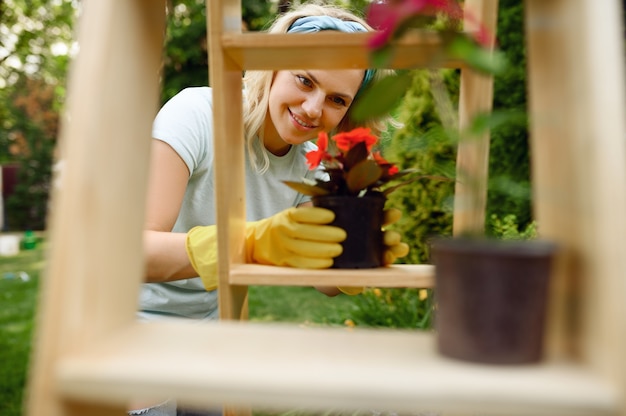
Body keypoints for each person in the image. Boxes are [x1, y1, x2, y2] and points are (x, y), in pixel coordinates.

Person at [131, 3, 409, 415]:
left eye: (336, 99)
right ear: (272, 69)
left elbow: (325, 284)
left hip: (208, 331)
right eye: (304, 80)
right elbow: (135, 255)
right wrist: (248, 243)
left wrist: (359, 255)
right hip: (129, 323)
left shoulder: (312, 164)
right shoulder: (197, 114)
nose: (314, 109)